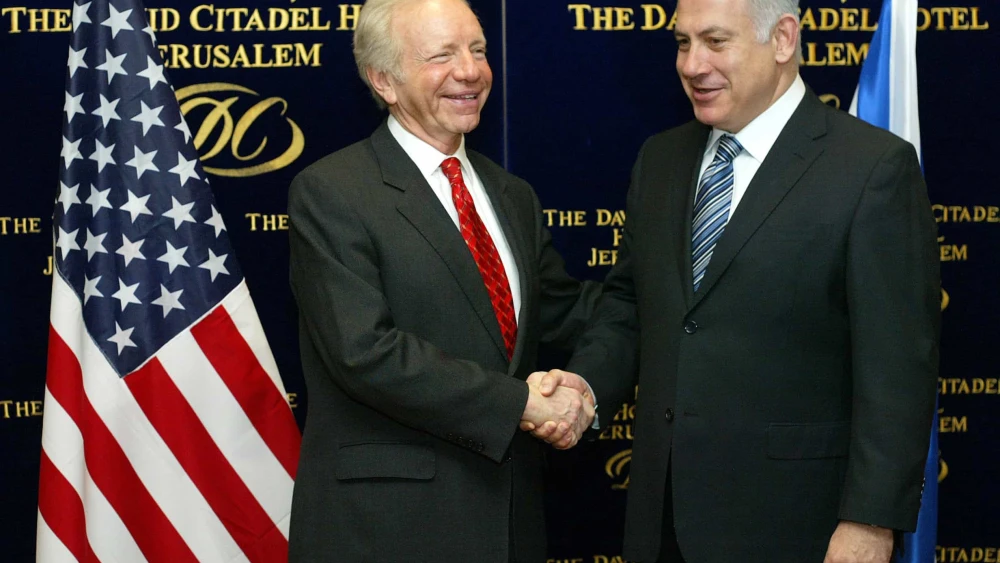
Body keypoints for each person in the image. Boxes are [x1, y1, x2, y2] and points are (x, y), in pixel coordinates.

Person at [531, 0, 940, 561]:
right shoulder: (661, 160)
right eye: (682, 42)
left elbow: (897, 370)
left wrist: (870, 523)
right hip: (661, 521)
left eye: (715, 41)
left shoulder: (872, 168)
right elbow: (630, 306)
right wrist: (587, 387)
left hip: (800, 526)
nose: (692, 64)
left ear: (783, 39)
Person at [286, 0, 597, 561]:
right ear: (384, 79)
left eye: (477, 50)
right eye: (442, 55)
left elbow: (565, 317)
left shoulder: (513, 196)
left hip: (509, 523)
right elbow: (364, 353)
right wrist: (522, 405)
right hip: (387, 530)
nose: (471, 71)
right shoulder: (332, 192)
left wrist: (581, 388)